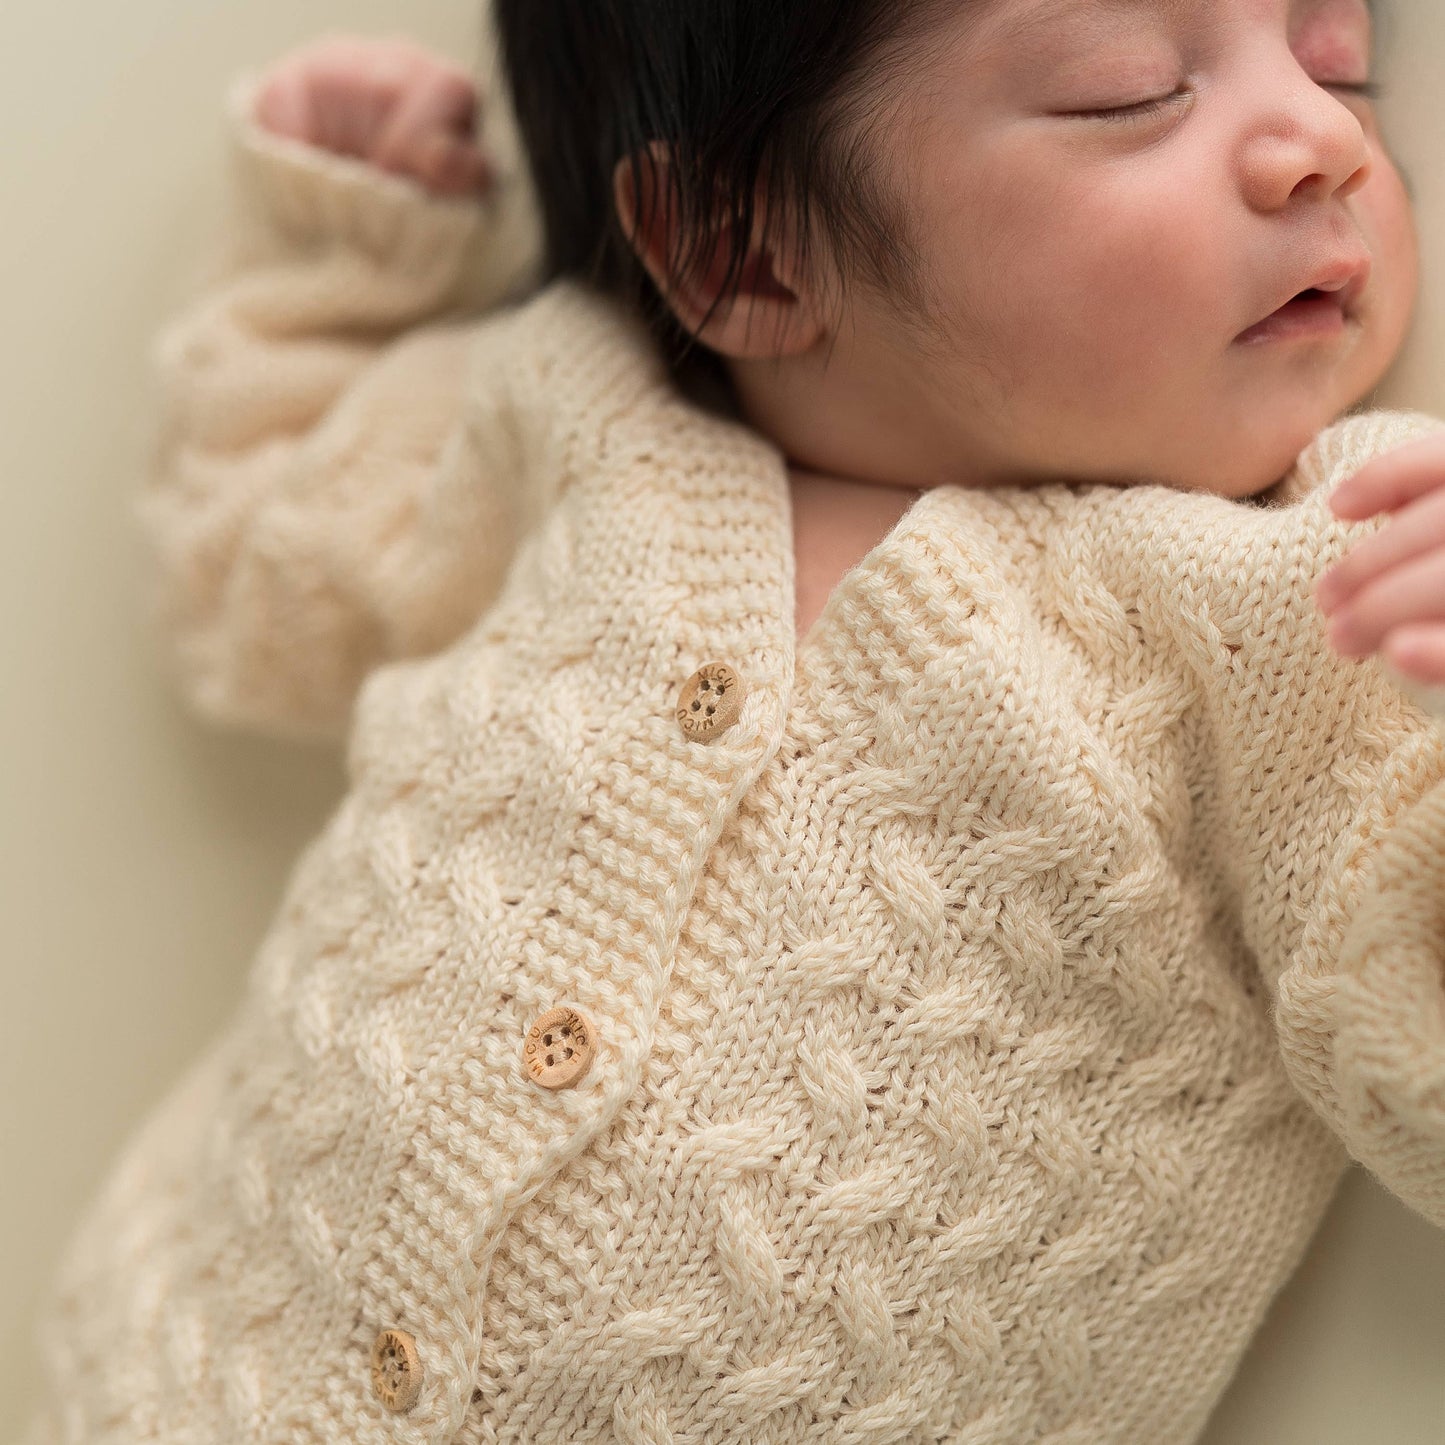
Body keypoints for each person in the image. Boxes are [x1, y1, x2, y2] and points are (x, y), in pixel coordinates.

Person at [20, 3, 1445, 1441]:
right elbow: (250, 582)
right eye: (1127, 93)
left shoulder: (1315, 601)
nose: (1321, 140)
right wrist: (336, 258)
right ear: (738, 252)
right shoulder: (574, 418)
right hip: (169, 1379)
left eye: (1339, 60)